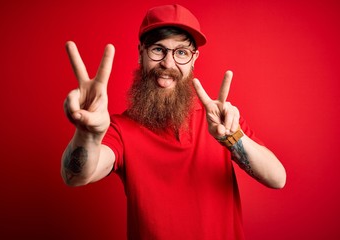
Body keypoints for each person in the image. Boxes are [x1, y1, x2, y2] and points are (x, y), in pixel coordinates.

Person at [61, 4, 286, 240]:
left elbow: (277, 178)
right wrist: (88, 135)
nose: (168, 64)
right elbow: (75, 176)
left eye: (181, 52)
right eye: (158, 49)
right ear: (141, 52)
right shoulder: (121, 129)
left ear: (193, 58)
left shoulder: (220, 121)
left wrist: (232, 138)